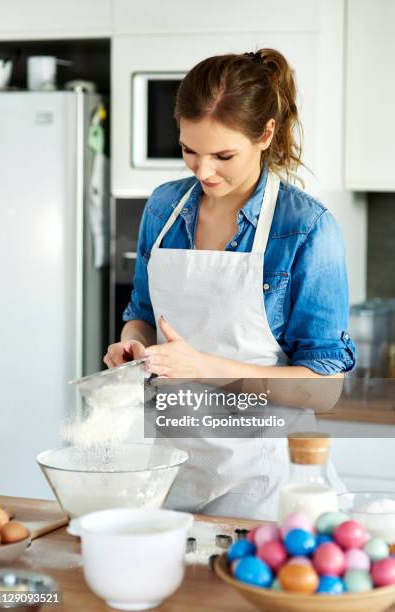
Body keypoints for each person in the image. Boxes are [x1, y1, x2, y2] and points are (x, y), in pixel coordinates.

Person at [104, 48, 356, 519]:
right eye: (189, 151)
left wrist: (204, 367)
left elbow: (325, 387)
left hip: (267, 489)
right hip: (173, 477)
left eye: (223, 155)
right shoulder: (163, 208)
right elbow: (141, 313)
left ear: (265, 134)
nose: (203, 172)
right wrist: (133, 347)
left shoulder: (306, 228)